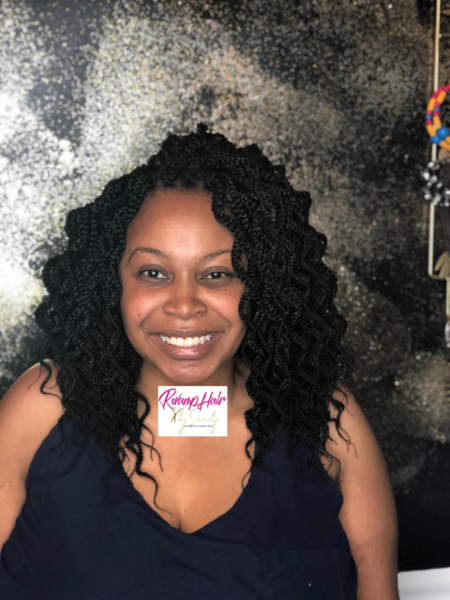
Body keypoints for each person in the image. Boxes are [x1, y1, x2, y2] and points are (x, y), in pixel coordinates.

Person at [0, 124, 399, 599]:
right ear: (114, 283)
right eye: (154, 272)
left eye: (217, 274)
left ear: (262, 284)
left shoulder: (329, 421)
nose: (184, 304)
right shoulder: (43, 405)